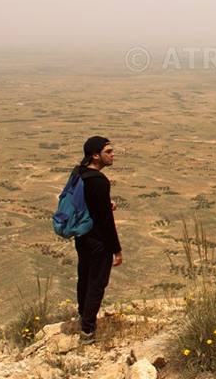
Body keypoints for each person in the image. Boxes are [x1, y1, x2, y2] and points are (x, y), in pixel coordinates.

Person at [74, 136, 123, 342]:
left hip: (81, 236)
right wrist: (116, 249)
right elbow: (105, 222)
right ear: (95, 155)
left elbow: (85, 202)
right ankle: (87, 330)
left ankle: (82, 316)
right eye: (108, 152)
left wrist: (104, 203)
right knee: (97, 283)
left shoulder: (79, 172)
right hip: (98, 241)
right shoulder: (99, 181)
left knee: (84, 277)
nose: (113, 155)